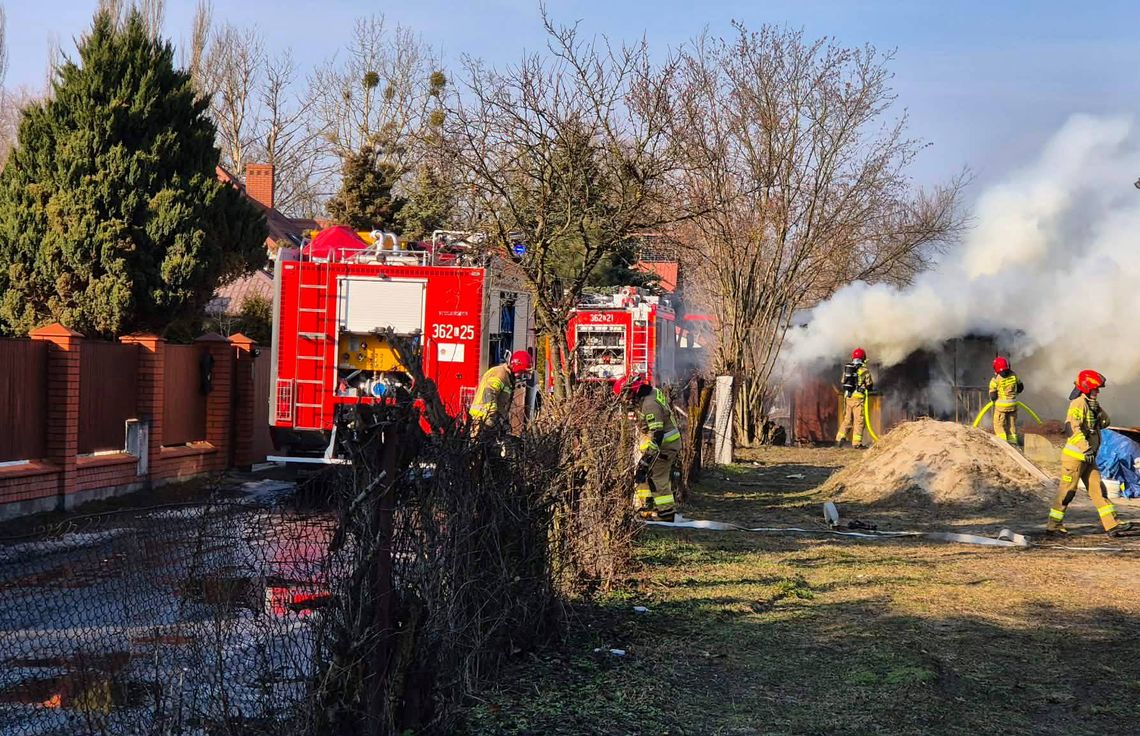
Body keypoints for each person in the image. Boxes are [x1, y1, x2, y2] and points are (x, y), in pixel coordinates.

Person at [1046, 370, 1133, 538]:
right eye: (1095, 389)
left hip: (1088, 457)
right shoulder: (1078, 404)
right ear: (1086, 388)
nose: (1098, 392)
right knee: (1067, 492)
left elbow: (1106, 422)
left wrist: (1097, 410)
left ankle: (1112, 524)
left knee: (1098, 490)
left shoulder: (1090, 404)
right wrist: (1085, 448)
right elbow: (1072, 428)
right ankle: (1053, 525)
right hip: (1076, 458)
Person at [614, 374, 681, 521]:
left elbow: (657, 435)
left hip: (665, 445)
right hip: (668, 441)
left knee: (658, 478)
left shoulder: (650, 405)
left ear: (632, 391)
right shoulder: (652, 392)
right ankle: (655, 509)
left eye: (625, 396)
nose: (625, 400)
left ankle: (666, 514)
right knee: (654, 476)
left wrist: (646, 459)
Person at [469, 350, 533, 439]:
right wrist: (492, 417)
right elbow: (489, 393)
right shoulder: (500, 373)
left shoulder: (508, 378)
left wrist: (504, 420)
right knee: (479, 448)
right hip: (482, 419)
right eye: (522, 373)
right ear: (516, 366)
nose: (521, 376)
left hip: (492, 420)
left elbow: (502, 403)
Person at [836, 348, 874, 448]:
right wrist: (867, 387)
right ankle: (857, 443)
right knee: (859, 421)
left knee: (847, 419)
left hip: (848, 397)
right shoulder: (864, 370)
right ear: (863, 358)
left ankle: (840, 438)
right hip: (859, 399)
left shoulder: (848, 369)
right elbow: (869, 384)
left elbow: (843, 381)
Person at [988, 356, 1024, 445]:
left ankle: (1002, 444)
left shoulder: (995, 379)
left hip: (1001, 407)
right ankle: (1013, 444)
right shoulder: (1014, 375)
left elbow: (993, 395)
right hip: (1013, 405)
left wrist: (994, 400)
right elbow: (1020, 387)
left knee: (999, 425)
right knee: (1012, 425)